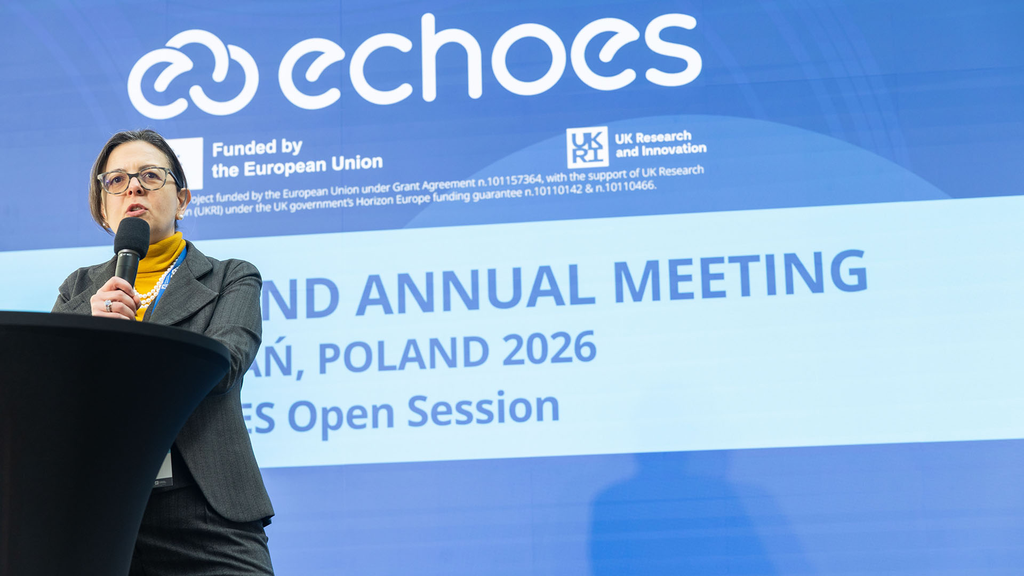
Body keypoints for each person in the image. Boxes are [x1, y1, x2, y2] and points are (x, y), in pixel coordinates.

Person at [51, 129, 275, 575]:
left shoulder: (231, 277)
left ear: (182, 200)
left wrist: (131, 341)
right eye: (116, 180)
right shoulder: (79, 290)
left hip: (205, 508)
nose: (133, 188)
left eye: (151, 176)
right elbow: (51, 394)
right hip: (97, 510)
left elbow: (224, 364)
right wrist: (88, 329)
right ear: (103, 208)